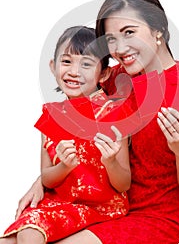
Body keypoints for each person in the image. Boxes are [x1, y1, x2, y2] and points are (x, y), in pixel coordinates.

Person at [13, 0, 179, 244]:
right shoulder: (118, 76)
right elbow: (72, 124)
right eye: (110, 39)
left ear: (159, 31)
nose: (119, 48)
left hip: (153, 218)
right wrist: (44, 180)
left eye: (129, 32)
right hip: (100, 203)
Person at [0, 26, 131, 243]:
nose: (74, 71)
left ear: (104, 73)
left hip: (101, 207)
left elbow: (123, 183)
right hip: (60, 203)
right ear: (53, 66)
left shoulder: (113, 114)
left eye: (87, 64)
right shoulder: (52, 114)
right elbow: (47, 178)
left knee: (29, 234)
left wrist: (110, 162)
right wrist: (64, 166)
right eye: (67, 61)